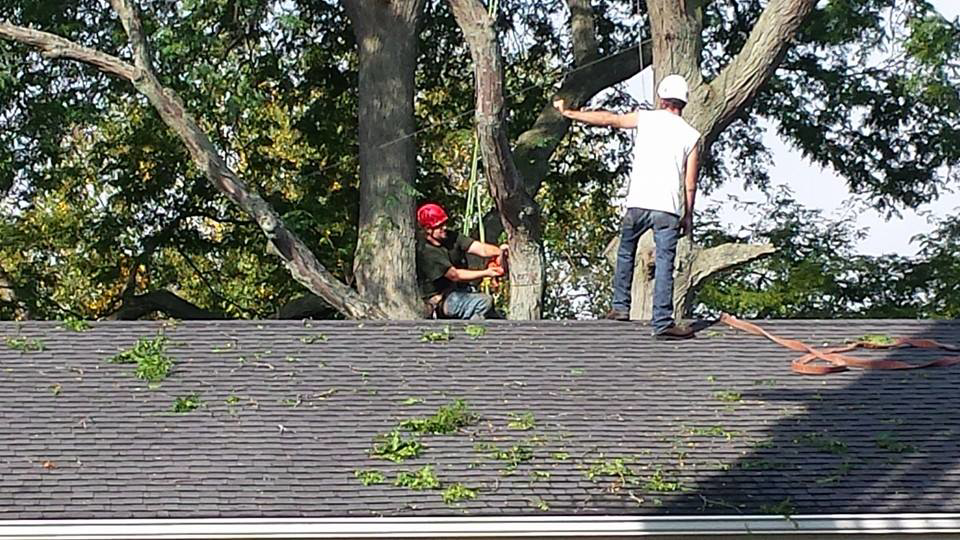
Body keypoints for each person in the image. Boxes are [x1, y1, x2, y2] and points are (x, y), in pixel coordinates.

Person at [553, 74, 700, 340]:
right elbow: (690, 183)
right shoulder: (691, 135)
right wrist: (688, 215)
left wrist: (571, 114)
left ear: (661, 98)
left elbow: (610, 119)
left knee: (626, 251)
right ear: (684, 103)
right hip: (667, 208)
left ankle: (620, 306)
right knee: (665, 263)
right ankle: (663, 322)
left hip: (637, 203)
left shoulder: (645, 118)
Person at [415, 202, 507, 320]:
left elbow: (480, 249)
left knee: (496, 317)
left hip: (462, 291)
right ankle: (472, 333)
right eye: (439, 226)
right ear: (428, 229)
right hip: (442, 301)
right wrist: (487, 273)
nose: (444, 228)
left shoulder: (451, 237)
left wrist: (500, 252)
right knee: (484, 302)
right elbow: (455, 275)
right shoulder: (427, 251)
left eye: (444, 223)